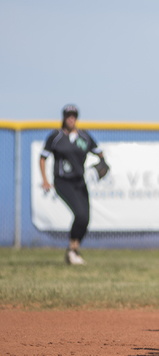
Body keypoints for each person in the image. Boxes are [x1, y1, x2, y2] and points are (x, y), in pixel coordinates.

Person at [39, 104, 106, 265]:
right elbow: (43, 158)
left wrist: (101, 166)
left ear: (76, 118)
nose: (71, 118)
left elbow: (100, 154)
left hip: (80, 181)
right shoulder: (56, 137)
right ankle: (72, 250)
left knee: (85, 219)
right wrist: (45, 180)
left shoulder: (84, 137)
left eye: (73, 116)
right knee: (80, 214)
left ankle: (73, 251)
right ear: (64, 117)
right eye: (68, 115)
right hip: (62, 181)